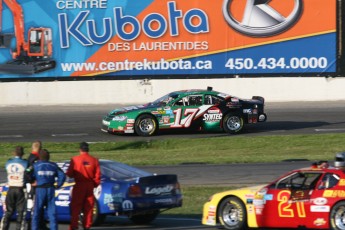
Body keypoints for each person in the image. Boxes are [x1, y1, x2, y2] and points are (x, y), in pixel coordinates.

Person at [66, 142, 101, 230]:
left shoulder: (75, 159)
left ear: (80, 149)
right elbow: (98, 176)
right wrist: (93, 185)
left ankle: (74, 226)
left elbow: (69, 174)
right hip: (89, 186)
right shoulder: (94, 160)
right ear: (87, 149)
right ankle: (87, 225)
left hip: (79, 185)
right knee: (89, 207)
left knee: (76, 207)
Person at [31, 149, 66, 230]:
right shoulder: (54, 165)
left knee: (37, 212)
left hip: (40, 190)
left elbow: (27, 174)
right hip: (50, 189)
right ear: (48, 157)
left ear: (39, 157)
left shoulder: (36, 165)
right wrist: (58, 185)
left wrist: (32, 181)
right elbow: (62, 175)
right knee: (52, 213)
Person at [0, 146, 28, 230]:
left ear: (14, 153)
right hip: (20, 189)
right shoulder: (25, 163)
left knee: (8, 212)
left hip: (11, 188)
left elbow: (7, 168)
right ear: (22, 154)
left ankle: (3, 228)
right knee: (20, 212)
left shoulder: (8, 162)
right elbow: (28, 172)